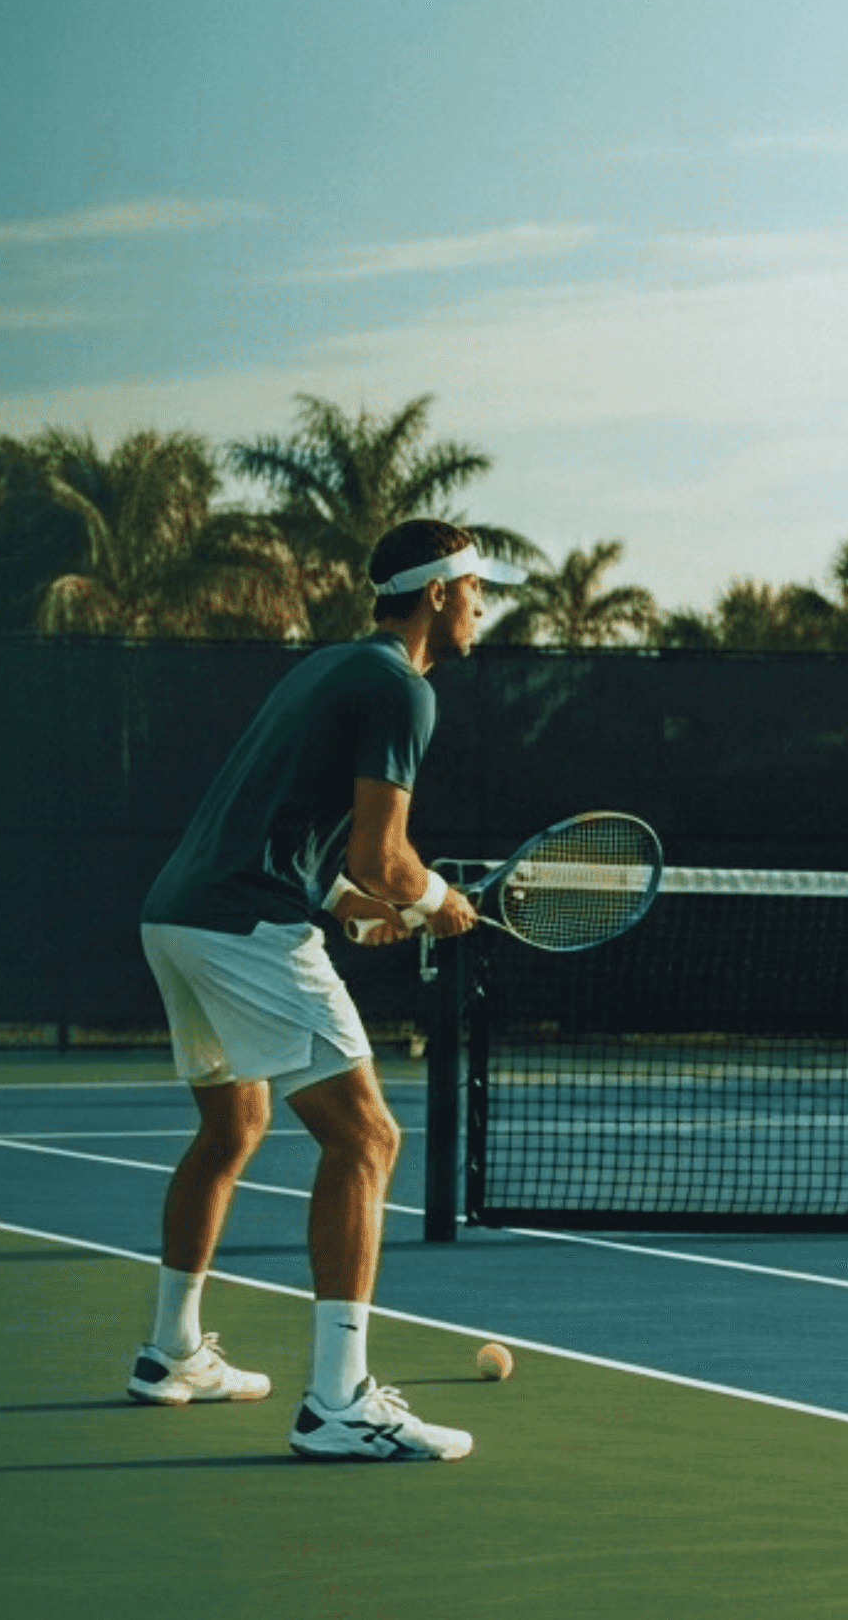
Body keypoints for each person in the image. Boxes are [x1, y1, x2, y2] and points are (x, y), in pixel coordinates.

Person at [128, 518, 522, 1462]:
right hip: (241, 924)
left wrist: (352, 907)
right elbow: (382, 854)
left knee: (232, 1127)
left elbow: (301, 840)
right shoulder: (400, 687)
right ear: (437, 593)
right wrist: (431, 898)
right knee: (368, 1136)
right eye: (475, 588)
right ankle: (338, 1402)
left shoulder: (329, 667)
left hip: (178, 913)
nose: (481, 604)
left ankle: (171, 1351)